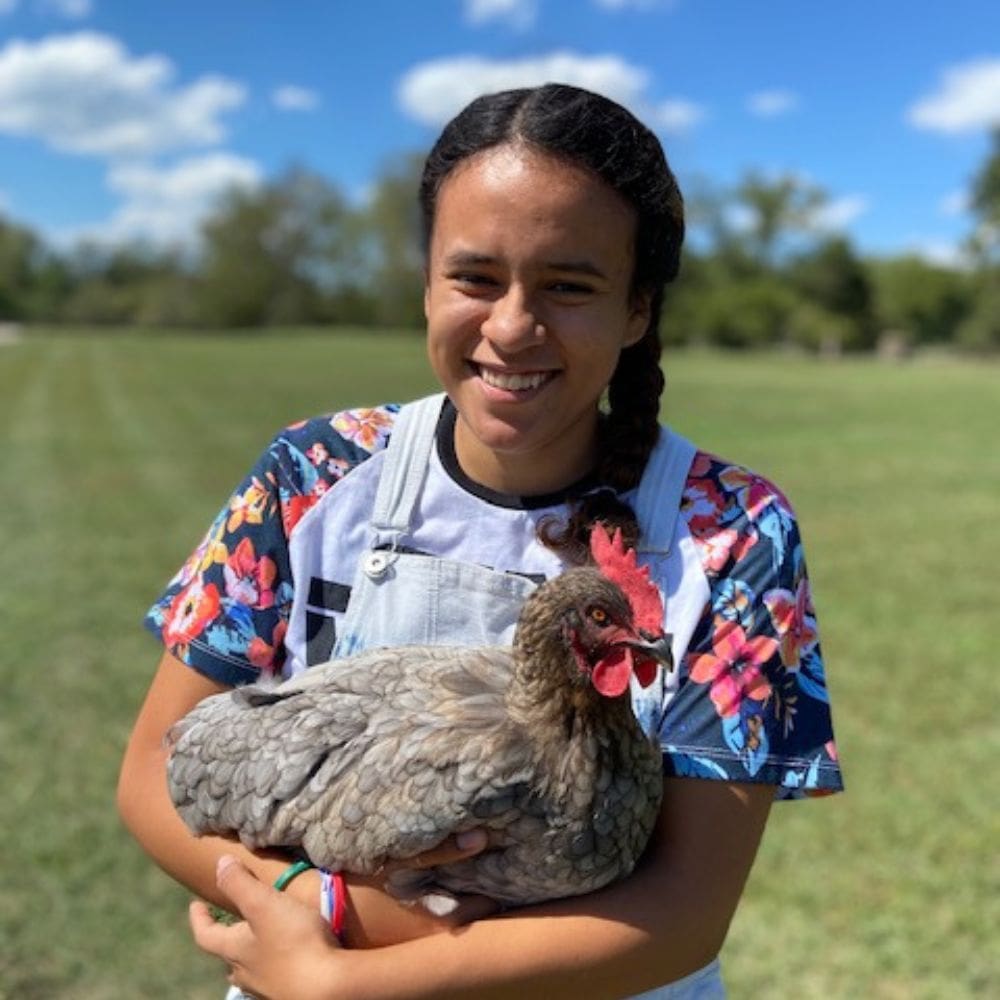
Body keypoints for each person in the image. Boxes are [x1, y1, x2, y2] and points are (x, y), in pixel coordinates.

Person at [118, 82, 842, 1000]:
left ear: (637, 310)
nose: (511, 326)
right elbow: (155, 771)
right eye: (475, 278)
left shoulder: (734, 534)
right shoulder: (315, 473)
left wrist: (352, 973)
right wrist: (315, 913)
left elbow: (687, 913)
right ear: (426, 282)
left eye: (569, 286)